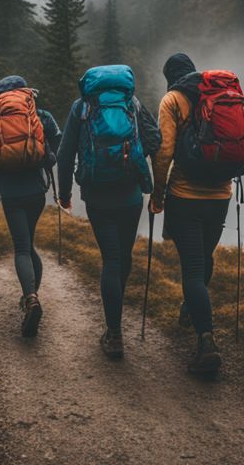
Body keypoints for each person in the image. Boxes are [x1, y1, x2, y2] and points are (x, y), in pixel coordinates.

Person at [56, 64, 160, 359]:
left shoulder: (82, 108)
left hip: (97, 197)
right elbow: (155, 140)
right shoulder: (133, 103)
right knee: (122, 257)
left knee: (111, 259)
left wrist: (64, 194)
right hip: (130, 195)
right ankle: (116, 309)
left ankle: (114, 334)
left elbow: (64, 154)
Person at [151, 52, 231, 374]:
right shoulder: (220, 95)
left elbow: (164, 152)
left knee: (193, 270)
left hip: (186, 197)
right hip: (221, 195)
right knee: (205, 257)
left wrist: (158, 194)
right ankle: (192, 310)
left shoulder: (171, 100)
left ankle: (206, 342)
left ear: (170, 75)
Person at [0, 75, 61, 337]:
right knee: (30, 244)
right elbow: (56, 145)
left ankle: (30, 298)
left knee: (22, 248)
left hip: (10, 193)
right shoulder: (41, 115)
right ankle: (32, 295)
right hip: (36, 191)